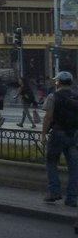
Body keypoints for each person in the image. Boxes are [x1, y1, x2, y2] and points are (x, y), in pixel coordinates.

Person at [41, 70, 78, 207]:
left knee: (51, 162)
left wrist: (43, 134)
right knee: (74, 168)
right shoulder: (76, 96)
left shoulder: (53, 96)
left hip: (58, 134)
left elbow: (48, 117)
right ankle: (72, 198)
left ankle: (54, 192)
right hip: (73, 135)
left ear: (58, 82)